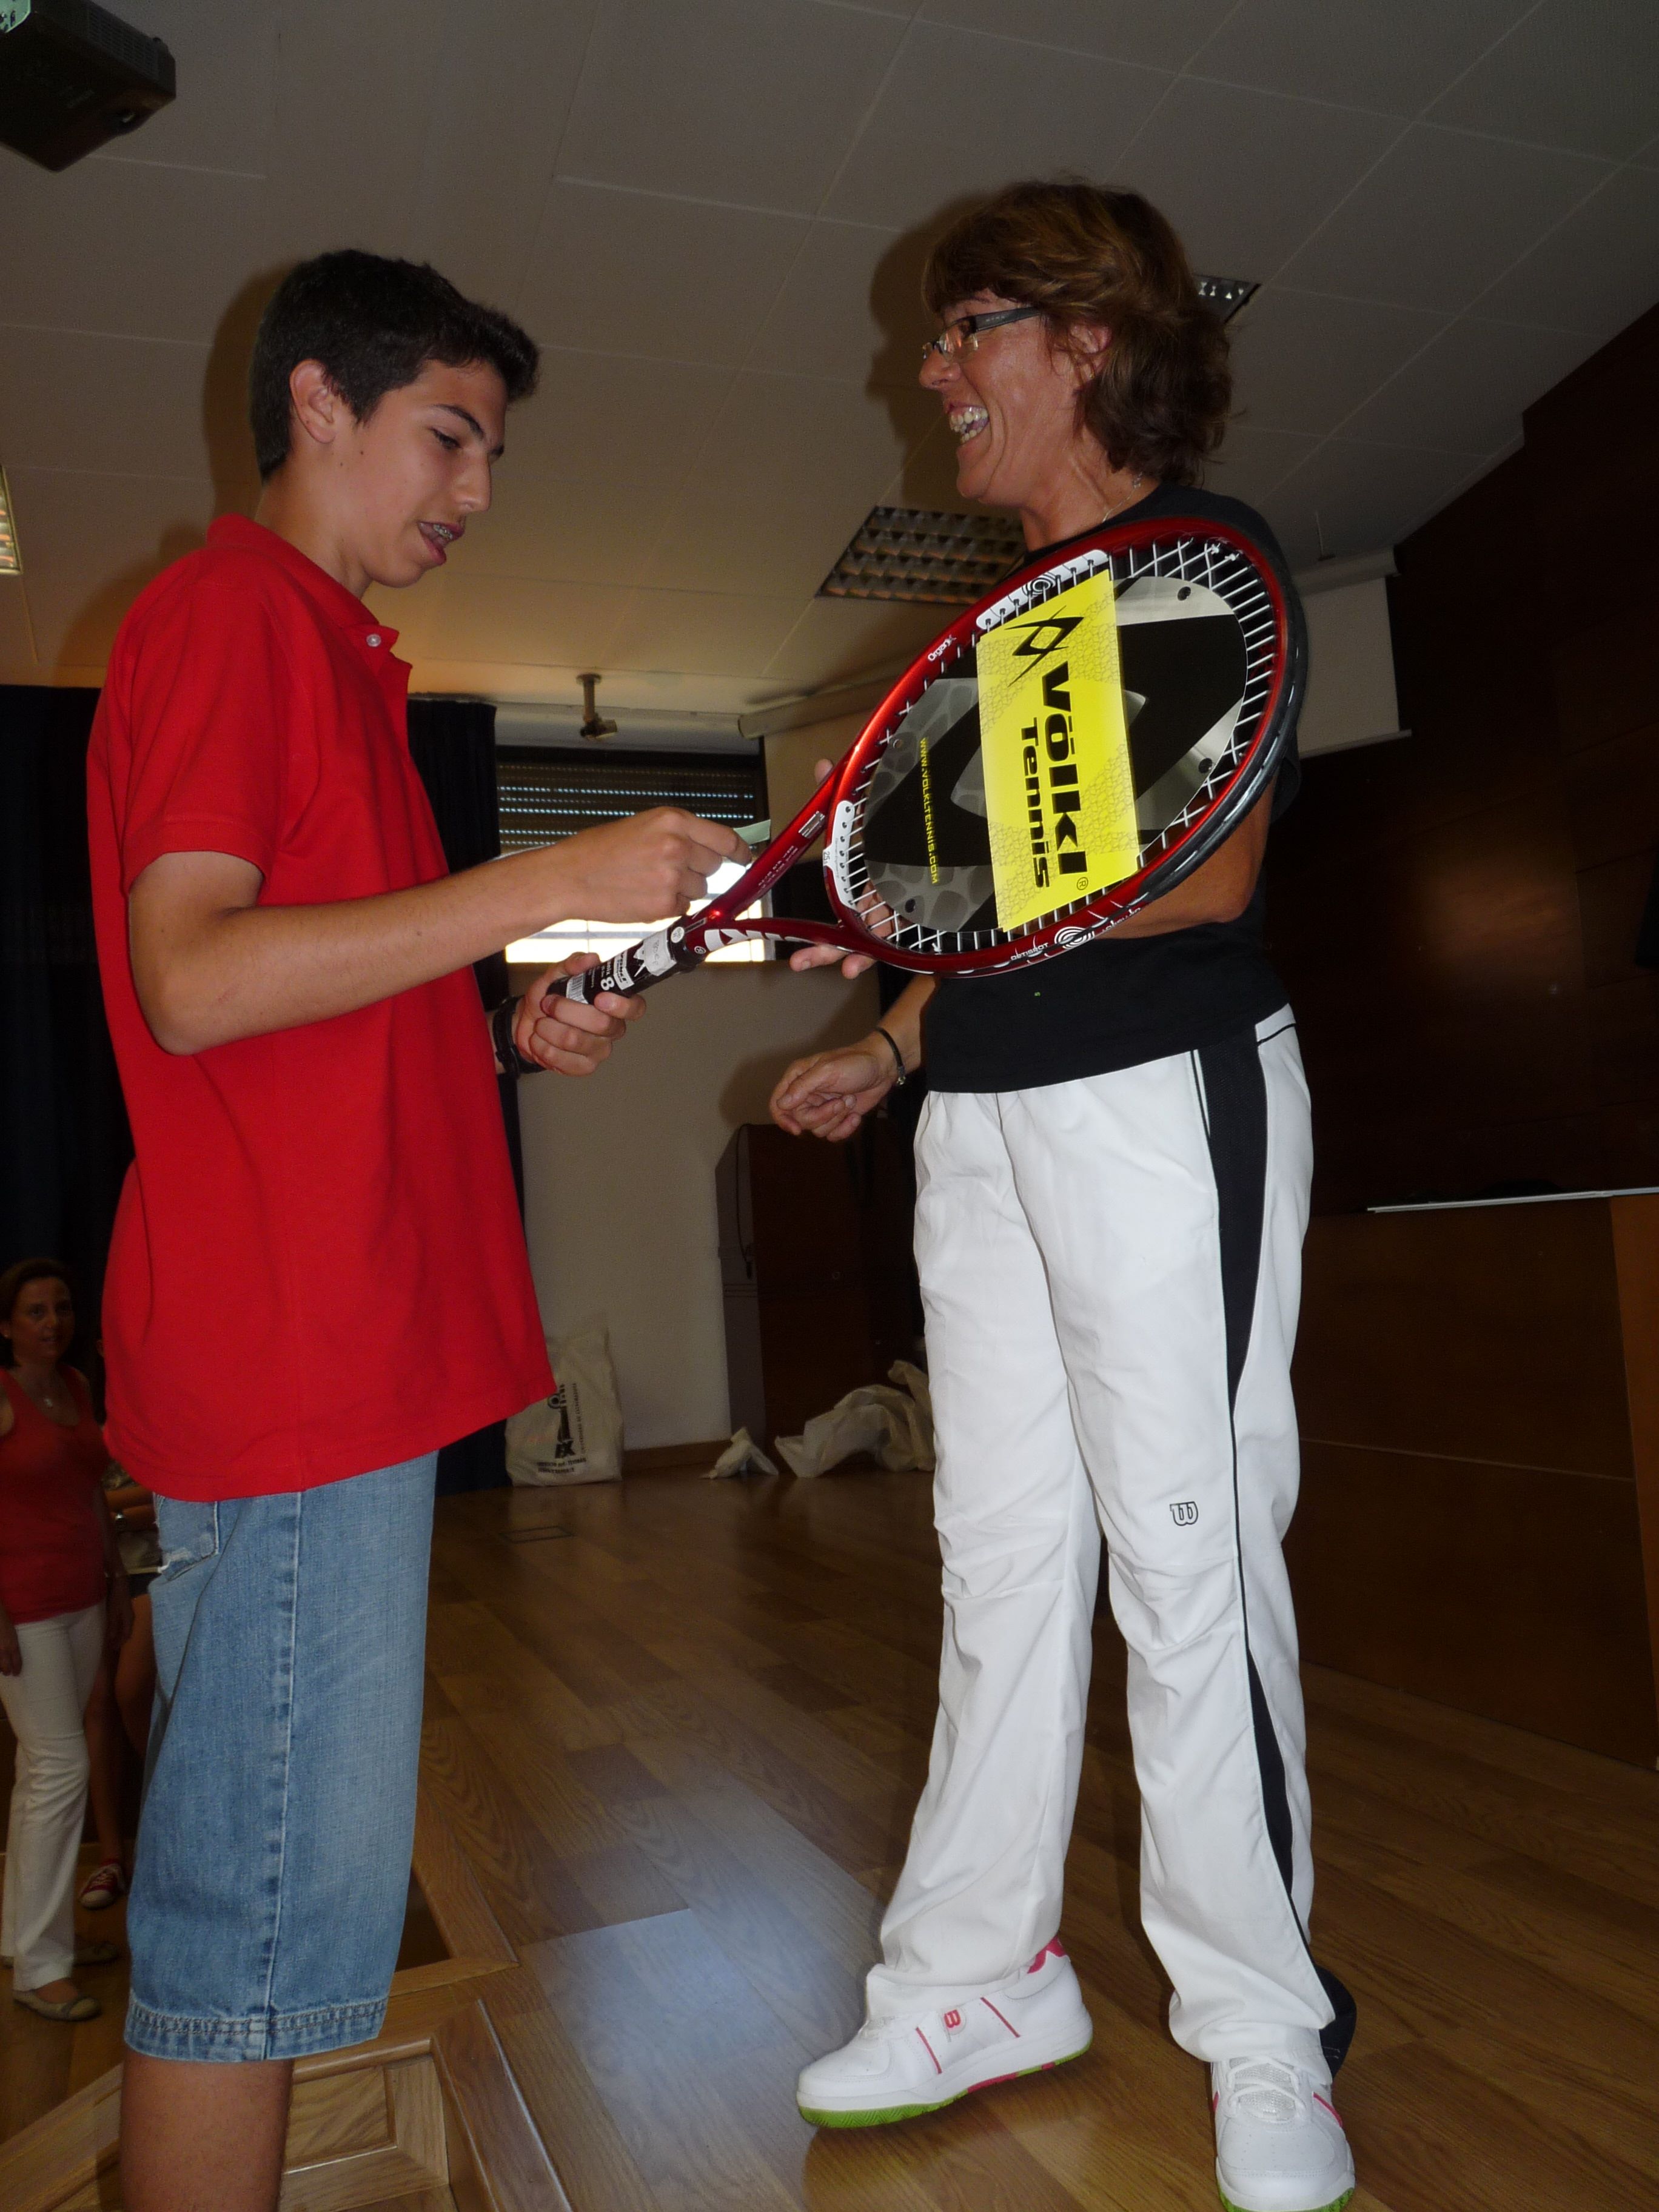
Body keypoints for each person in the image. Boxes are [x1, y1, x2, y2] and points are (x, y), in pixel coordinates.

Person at [85, 250, 750, 2212]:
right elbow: (193, 978)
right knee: (248, 1940)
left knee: (275, 1925)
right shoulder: (234, 614)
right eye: (448, 434)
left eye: (491, 455)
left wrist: (499, 1030)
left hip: (330, 1360)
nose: (475, 488)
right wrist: (540, 875)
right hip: (296, 1364)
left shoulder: (334, 663)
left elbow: (306, 1019)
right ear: (317, 401)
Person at [770, 183, 1356, 2212]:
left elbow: (1201, 879)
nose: (931, 367)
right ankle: (977, 1977)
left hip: (1160, 1099)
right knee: (1000, 1553)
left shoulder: (1205, 565)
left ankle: (1264, 2029)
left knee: (1184, 1557)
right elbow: (966, 909)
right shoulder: (995, 628)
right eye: (939, 334)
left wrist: (932, 924)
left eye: (973, 329)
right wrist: (890, 1038)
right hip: (985, 1119)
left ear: (1091, 343)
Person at [0, 1258, 129, 2022]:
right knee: (61, 1767)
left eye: (61, 1307)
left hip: (83, 1599)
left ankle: (22, 1935)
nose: (53, 1322)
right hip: (24, 1614)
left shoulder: (76, 1387)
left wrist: (114, 1579)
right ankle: (40, 1968)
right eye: (35, 1311)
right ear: (6, 1326)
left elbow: (88, 1493)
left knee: (39, 1774)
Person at [79, 1460, 161, 1913]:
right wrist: (125, 1511)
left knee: (131, 1690)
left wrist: (105, 1511)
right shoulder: (73, 1422)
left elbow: (164, 1495)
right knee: (96, 1706)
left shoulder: (156, 1423)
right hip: (85, 1569)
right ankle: (111, 1856)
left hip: (156, 1564)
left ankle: (171, 1827)